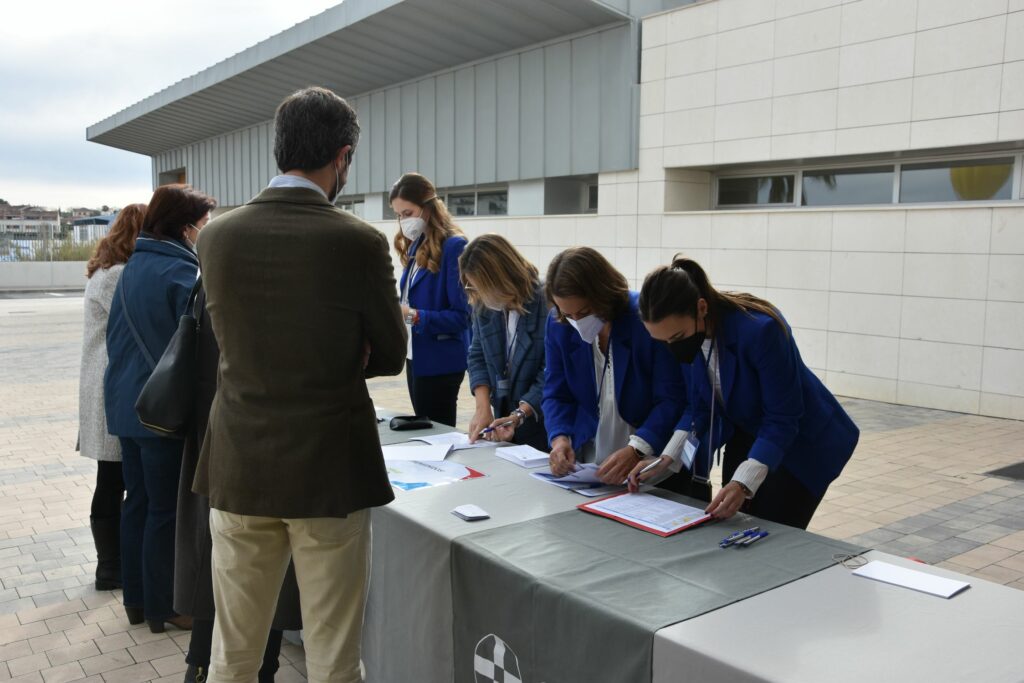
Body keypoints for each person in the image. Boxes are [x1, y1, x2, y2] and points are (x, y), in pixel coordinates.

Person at [195, 86, 407, 683]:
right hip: (328, 471)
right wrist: (339, 355)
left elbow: (236, 340)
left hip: (239, 464)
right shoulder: (359, 242)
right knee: (334, 656)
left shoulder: (215, 236)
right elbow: (390, 354)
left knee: (232, 655)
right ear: (342, 157)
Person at [629, 256, 859, 530]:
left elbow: (783, 417)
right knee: (733, 520)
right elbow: (699, 406)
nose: (671, 348)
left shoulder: (761, 331)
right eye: (662, 341)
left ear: (701, 307)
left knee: (769, 532)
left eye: (676, 338)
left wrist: (742, 482)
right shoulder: (688, 337)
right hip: (751, 430)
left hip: (803, 442)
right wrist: (667, 458)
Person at [175, 285, 302, 683]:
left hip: (216, 440)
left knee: (222, 570)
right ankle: (258, 668)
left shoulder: (213, 270)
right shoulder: (278, 278)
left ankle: (202, 666)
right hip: (265, 445)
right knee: (263, 573)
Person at [105, 185, 215, 633]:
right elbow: (196, 349)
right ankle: (164, 607)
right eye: (203, 224)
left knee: (138, 503)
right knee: (166, 510)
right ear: (185, 227)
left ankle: (136, 598)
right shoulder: (180, 272)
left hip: (126, 403)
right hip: (161, 412)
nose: (204, 232)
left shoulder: (133, 265)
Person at [542, 247, 686, 486]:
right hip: (590, 463)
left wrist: (637, 448)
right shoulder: (559, 324)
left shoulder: (644, 319)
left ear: (603, 294)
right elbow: (556, 391)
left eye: (585, 312)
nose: (577, 321)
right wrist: (559, 438)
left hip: (649, 463)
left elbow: (672, 398)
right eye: (569, 314)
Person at [79, 203, 146, 591]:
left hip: (102, 382)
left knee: (111, 476)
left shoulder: (104, 271)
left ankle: (111, 565)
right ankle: (110, 567)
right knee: (112, 477)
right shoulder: (118, 276)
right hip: (111, 384)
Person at [391, 173, 470, 427]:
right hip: (417, 357)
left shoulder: (454, 246)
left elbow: (463, 316)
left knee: (438, 434)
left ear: (428, 208)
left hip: (441, 361)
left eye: (407, 212)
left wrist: (412, 315)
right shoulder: (417, 245)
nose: (403, 221)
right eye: (399, 215)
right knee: (426, 432)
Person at [461, 234, 548, 450]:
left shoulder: (546, 302)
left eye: (482, 287)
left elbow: (551, 371)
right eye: (473, 288)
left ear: (503, 278)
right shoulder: (484, 304)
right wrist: (482, 407)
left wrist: (520, 414)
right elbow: (477, 354)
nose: (479, 295)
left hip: (543, 424)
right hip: (503, 419)